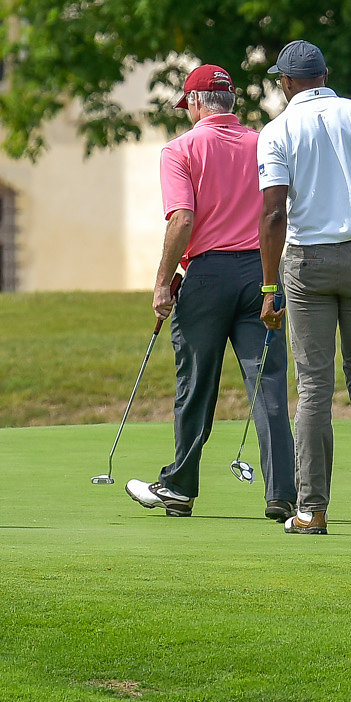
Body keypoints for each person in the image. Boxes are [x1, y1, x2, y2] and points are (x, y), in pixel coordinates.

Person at [126, 64, 297, 520]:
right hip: (261, 274)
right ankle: (282, 494)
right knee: (268, 385)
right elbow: (283, 210)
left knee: (196, 385)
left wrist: (162, 281)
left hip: (204, 277)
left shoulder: (180, 149)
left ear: (197, 103)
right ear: (232, 101)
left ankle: (180, 487)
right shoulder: (265, 142)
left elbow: (182, 218)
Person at [256, 39, 351, 536]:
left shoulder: (277, 130)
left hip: (306, 264)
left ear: (286, 82)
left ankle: (312, 511)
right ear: (325, 74)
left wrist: (268, 287)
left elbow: (274, 212)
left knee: (315, 387)